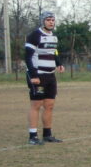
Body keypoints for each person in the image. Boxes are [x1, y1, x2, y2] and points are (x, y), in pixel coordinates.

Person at [25, 10, 64, 145]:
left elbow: (54, 51)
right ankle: (33, 136)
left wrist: (58, 64)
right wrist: (34, 75)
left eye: (53, 20)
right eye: (48, 20)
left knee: (49, 105)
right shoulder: (35, 35)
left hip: (50, 76)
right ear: (43, 21)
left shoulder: (54, 36)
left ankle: (47, 134)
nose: (51, 22)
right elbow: (28, 56)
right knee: (36, 104)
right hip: (38, 75)